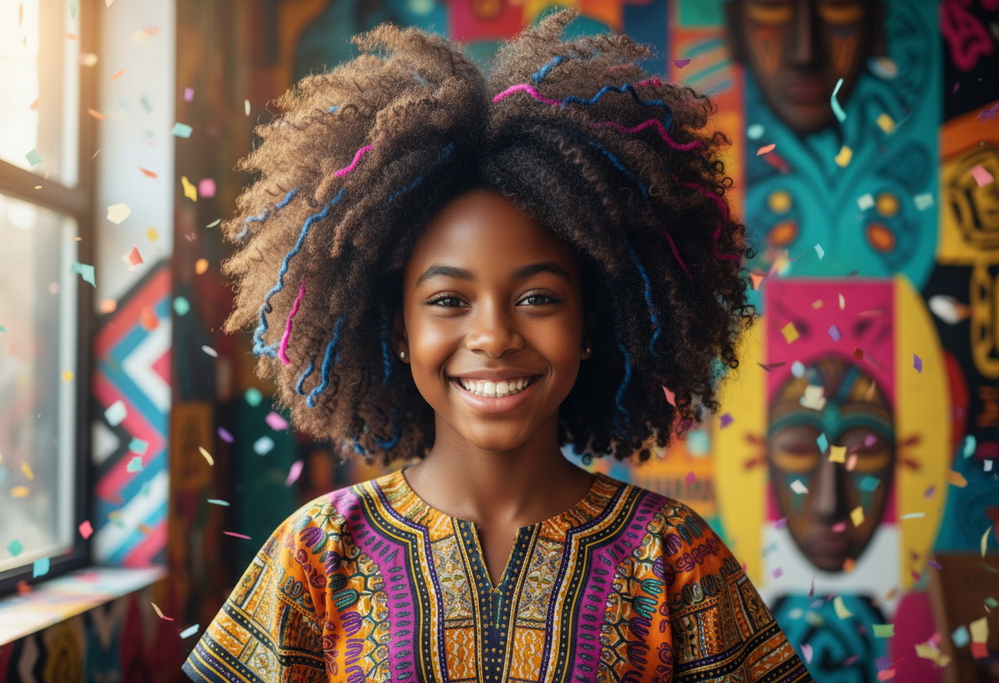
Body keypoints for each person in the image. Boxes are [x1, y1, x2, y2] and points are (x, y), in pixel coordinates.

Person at [183, 9, 812, 682]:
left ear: (595, 321)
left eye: (538, 297)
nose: (493, 335)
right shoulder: (315, 554)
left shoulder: (675, 557)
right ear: (395, 327)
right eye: (448, 300)